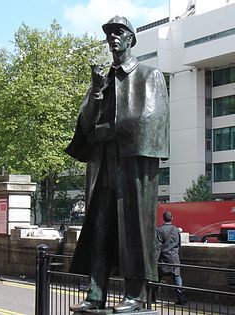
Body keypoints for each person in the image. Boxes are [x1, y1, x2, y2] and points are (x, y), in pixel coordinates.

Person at [65, 15, 169, 313]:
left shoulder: (150, 76)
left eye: (119, 32)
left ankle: (135, 296)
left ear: (130, 38)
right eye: (109, 33)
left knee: (133, 230)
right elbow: (85, 125)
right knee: (99, 229)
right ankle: (96, 293)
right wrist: (96, 91)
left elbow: (152, 119)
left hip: (131, 169)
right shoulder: (103, 81)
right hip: (103, 168)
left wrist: (112, 130)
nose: (113, 37)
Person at [156, 211, 185, 305]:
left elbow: (158, 246)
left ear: (163, 218)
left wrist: (155, 260)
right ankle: (181, 298)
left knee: (157, 278)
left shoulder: (160, 230)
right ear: (172, 218)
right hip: (174, 258)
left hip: (163, 258)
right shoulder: (176, 230)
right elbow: (179, 244)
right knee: (177, 277)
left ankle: (152, 298)